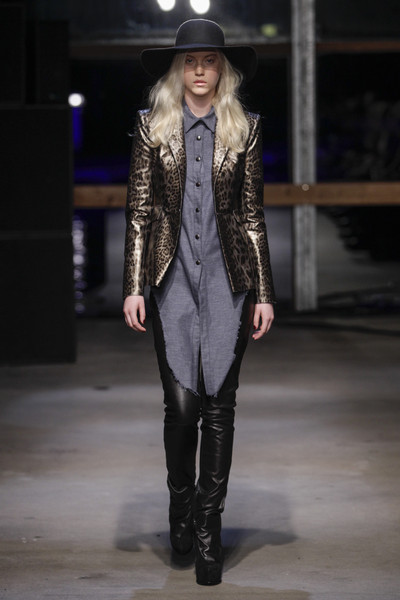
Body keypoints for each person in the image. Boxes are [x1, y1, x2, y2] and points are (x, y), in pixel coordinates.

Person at [123, 18, 275, 586]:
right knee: (182, 406)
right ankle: (180, 503)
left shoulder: (245, 129)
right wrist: (132, 286)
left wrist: (264, 293)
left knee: (220, 407)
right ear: (177, 70)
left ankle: (208, 529)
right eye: (190, 61)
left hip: (229, 282)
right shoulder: (151, 127)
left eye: (210, 61)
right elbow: (140, 211)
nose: (200, 71)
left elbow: (252, 215)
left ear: (222, 69)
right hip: (171, 281)